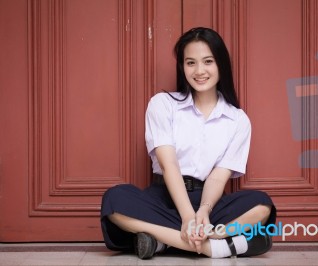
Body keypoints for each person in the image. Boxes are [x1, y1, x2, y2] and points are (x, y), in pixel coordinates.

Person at [100, 27, 276, 259]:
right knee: (116, 199)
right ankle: (215, 247)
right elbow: (169, 164)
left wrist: (202, 212)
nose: (199, 71)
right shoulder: (162, 104)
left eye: (208, 61)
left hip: (208, 203)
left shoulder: (238, 120)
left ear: (221, 64)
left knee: (262, 205)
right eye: (190, 63)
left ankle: (163, 242)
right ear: (182, 67)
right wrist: (186, 216)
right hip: (164, 197)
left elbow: (217, 177)